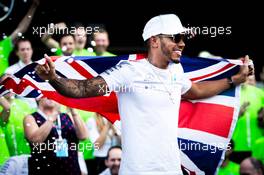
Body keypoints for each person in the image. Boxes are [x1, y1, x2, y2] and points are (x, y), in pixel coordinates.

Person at [35, 14, 252, 174]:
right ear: (154, 41)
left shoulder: (176, 71)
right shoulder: (129, 72)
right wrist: (52, 78)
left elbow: (195, 91)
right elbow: (82, 89)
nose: (182, 43)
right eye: (176, 37)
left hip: (171, 170)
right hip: (137, 170)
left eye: (183, 38)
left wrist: (234, 80)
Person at [23, 97, 88, 174]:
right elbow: (35, 141)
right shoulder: (31, 118)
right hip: (45, 170)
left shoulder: (67, 116)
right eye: (46, 94)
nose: (50, 96)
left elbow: (84, 136)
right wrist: (51, 118)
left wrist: (74, 111)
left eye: (53, 93)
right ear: (37, 98)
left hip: (71, 169)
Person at [0, 0, 39, 75]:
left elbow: (21, 29)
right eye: (23, 49)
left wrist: (34, 6)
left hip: (4, 83)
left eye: (28, 49)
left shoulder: (3, 46)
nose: (25, 52)